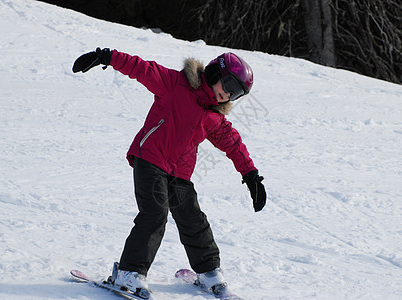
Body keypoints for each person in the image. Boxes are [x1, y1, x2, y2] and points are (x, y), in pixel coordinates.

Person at [72, 48, 267, 297]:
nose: (228, 94)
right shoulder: (176, 83)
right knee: (154, 213)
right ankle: (129, 272)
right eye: (229, 84)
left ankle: (209, 272)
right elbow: (141, 68)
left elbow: (233, 143)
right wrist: (106, 57)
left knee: (193, 219)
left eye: (236, 93)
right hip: (150, 159)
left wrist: (251, 176)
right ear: (215, 72)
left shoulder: (213, 116)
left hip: (180, 173)